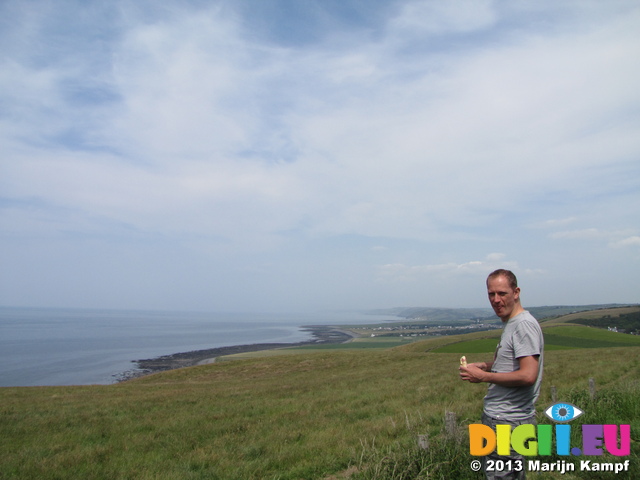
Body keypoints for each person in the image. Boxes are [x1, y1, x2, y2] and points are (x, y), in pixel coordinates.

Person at [460, 269, 544, 480]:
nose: (496, 300)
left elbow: (527, 376)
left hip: (507, 421)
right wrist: (486, 366)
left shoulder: (523, 325)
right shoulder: (513, 323)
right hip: (504, 419)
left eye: (502, 293)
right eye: (491, 294)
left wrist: (484, 377)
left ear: (516, 292)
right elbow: (514, 364)